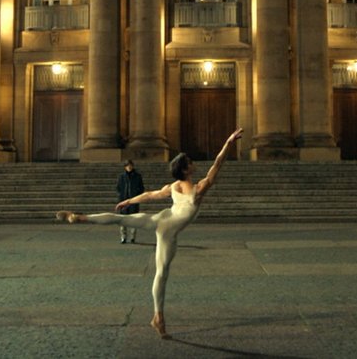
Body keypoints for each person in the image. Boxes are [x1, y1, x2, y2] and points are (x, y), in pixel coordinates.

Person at [56, 128, 244, 339]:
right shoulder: (198, 190)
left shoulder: (174, 186)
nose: (193, 164)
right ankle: (158, 317)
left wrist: (129, 200)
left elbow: (151, 195)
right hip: (168, 231)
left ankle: (80, 217)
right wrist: (229, 142)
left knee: (120, 219)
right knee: (161, 273)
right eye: (190, 162)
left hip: (160, 218)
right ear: (186, 169)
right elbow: (217, 163)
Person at [115, 159, 146, 244]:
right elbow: (118, 187)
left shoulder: (137, 176)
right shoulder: (121, 177)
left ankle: (132, 237)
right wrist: (121, 196)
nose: (129, 167)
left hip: (134, 200)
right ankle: (123, 237)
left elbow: (141, 188)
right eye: (127, 166)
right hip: (124, 200)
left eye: (130, 165)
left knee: (134, 219)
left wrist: (137, 195)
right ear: (125, 167)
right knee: (123, 219)